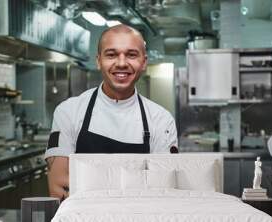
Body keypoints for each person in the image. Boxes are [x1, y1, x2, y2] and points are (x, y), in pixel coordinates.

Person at [44, 24, 178, 199]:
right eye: (111, 54)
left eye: (131, 55)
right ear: (98, 60)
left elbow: (163, 190)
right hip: (82, 221)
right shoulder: (69, 112)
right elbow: (59, 186)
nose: (121, 63)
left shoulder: (161, 120)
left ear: (144, 62)